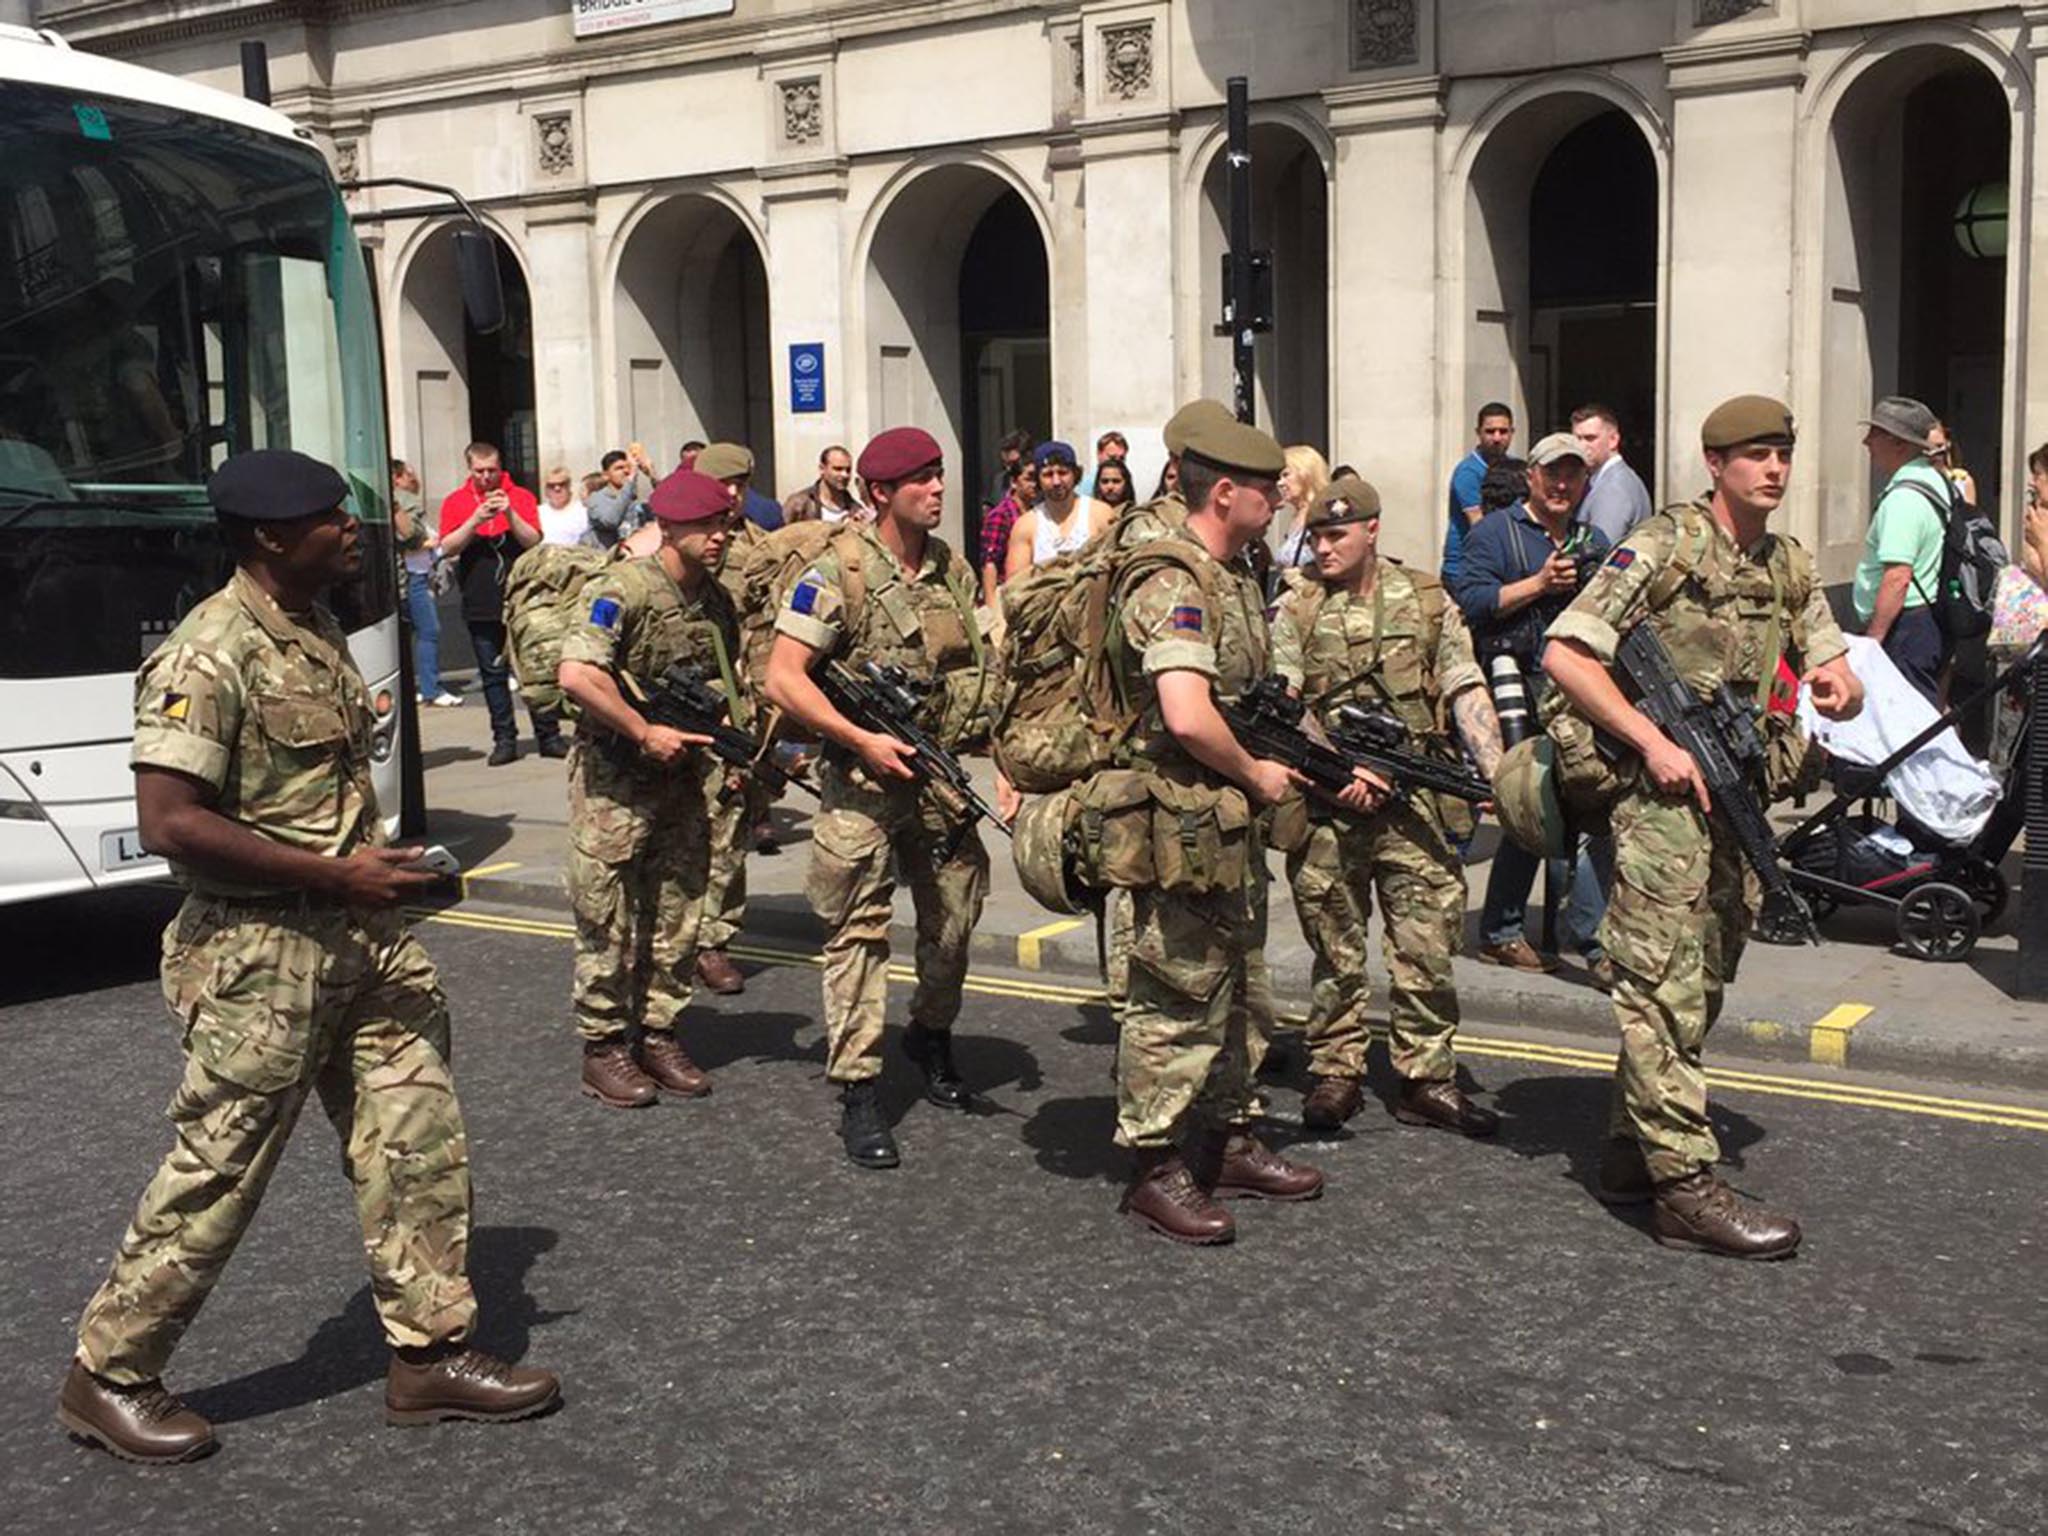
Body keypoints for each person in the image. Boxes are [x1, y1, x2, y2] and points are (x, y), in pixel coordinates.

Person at [59, 448, 559, 1465]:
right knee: (220, 1167)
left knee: (415, 1138)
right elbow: (168, 822)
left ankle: (431, 1353)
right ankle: (108, 1373)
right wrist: (337, 877)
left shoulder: (318, 628)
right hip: (259, 959)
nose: (351, 530)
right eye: (330, 519)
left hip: (365, 945)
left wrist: (382, 874)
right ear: (270, 537)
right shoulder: (207, 653)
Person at [1544, 394, 1862, 1260]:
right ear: (1715, 463)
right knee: (1660, 987)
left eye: (1783, 455)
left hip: (1738, 799)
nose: (1775, 469)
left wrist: (1841, 686)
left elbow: (1831, 657)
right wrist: (1651, 741)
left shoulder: (1787, 563)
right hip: (1661, 805)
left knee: (1703, 981)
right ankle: (1684, 1185)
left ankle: (1626, 1151)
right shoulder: (1666, 542)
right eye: (1756, 455)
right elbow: (1567, 652)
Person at [1103, 407, 1327, 1245]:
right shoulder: (1172, 580)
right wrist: (1259, 773)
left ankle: (1227, 1135)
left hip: (1223, 819)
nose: (1279, 497)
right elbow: (1190, 717)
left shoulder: (1235, 571)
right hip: (1173, 818)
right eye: (1266, 488)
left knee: (1239, 982)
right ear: (1224, 491)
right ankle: (1154, 1163)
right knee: (1174, 989)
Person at [764, 426, 991, 1170]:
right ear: (880, 493)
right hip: (862, 779)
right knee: (857, 934)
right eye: (921, 479)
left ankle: (930, 1031)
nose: (937, 488)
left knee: (956, 917)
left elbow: (975, 669)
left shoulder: (951, 568)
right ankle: (860, 1086)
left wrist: (1004, 764)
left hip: (933, 773)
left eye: (940, 474)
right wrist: (858, 739)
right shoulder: (839, 572)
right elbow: (785, 676)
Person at [1275, 475, 1507, 1134]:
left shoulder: (1428, 599)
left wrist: (1500, 776)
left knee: (1427, 945)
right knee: (1335, 946)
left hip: (1416, 803)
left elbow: (1464, 683)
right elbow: (1285, 705)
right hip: (1328, 802)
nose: (1322, 548)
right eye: (1316, 535)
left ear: (1372, 529)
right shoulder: (1296, 608)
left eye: (1337, 535)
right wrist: (1340, 768)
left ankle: (1426, 1077)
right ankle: (1335, 1070)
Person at [557, 469, 738, 1107]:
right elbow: (578, 673)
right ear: (670, 526)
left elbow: (724, 683)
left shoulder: (715, 601)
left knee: (678, 908)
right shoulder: (623, 588)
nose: (719, 537)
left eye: (725, 525)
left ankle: (659, 1031)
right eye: (706, 526)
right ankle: (604, 1047)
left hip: (682, 780)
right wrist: (641, 730)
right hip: (615, 780)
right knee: (606, 914)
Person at [1453, 433, 1613, 980]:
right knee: (1529, 805)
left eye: (1574, 474)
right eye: (1553, 474)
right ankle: (1500, 930)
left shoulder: (1595, 540)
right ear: (1532, 478)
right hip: (1514, 677)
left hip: (1580, 687)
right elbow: (1472, 603)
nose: (1563, 484)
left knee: (1592, 802)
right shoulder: (1496, 532)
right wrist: (1538, 584)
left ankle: (1595, 941)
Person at [437, 441, 567, 766]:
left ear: (500, 467)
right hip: (480, 598)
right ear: (470, 469)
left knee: (536, 670)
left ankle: (548, 734)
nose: (486, 477)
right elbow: (448, 547)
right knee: (493, 674)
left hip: (523, 598)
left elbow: (533, 540)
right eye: (479, 471)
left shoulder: (520, 496)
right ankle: (504, 738)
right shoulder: (456, 501)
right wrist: (474, 520)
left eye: (491, 470)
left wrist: (508, 512)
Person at [1851, 395, 1951, 705]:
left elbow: (1898, 577)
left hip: (1902, 628)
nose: (1867, 442)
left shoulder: (1904, 499)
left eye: (1876, 434)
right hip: (1922, 623)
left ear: (1899, 444)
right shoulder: (1933, 481)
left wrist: (1874, 640)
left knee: (1900, 729)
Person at [394, 458, 460, 708]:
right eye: (408, 474)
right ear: (397, 478)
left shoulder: (402, 500)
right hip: (414, 576)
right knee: (429, 630)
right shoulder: (405, 500)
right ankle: (431, 688)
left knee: (415, 632)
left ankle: (419, 686)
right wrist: (428, 542)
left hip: (416, 574)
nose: (415, 478)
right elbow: (412, 536)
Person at [1005, 440, 1113, 579]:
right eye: (1048, 474)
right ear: (1037, 479)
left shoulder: (1100, 514)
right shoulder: (1026, 526)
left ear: (1075, 474)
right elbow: (1015, 586)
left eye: (1063, 473)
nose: (1056, 482)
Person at [1444, 402, 1514, 589]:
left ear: (1512, 433)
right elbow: (1479, 524)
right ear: (1478, 433)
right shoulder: (1468, 472)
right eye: (1490, 432)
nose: (1497, 438)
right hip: (1465, 570)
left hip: (1498, 568)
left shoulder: (1512, 468)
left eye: (1503, 431)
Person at [1571, 403, 1653, 545]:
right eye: (1577, 439)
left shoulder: (1614, 487)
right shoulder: (1603, 480)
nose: (1581, 446)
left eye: (1590, 438)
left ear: (1613, 440)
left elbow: (1600, 550)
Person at [980, 456, 1037, 607]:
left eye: (1037, 478)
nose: (1035, 484)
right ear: (1014, 482)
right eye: (1029, 479)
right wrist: (991, 606)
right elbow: (989, 562)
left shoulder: (1037, 514)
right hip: (1007, 597)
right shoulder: (1001, 515)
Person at [1272, 444, 1332, 570]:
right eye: (1279, 477)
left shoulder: (1324, 515)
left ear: (1306, 474)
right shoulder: (1296, 517)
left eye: (1286, 475)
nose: (1280, 483)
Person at [585, 445, 653, 550]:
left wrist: (652, 474)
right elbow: (610, 521)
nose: (626, 472)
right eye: (619, 468)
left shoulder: (636, 501)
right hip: (608, 560)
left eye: (628, 467)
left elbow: (669, 509)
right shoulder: (596, 499)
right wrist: (630, 482)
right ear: (606, 475)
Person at [783, 444, 860, 523]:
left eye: (848, 470)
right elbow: (782, 533)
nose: (844, 475)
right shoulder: (799, 504)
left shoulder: (856, 510)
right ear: (822, 469)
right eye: (838, 469)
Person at [537, 463, 593, 547]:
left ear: (569, 485)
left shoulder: (583, 511)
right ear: (545, 489)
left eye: (562, 484)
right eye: (551, 485)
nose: (557, 488)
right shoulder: (537, 513)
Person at [1929, 421, 1978, 505]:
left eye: (1939, 446)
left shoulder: (1962, 480)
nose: (1935, 452)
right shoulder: (1913, 479)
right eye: (1929, 447)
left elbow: (1970, 516)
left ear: (1948, 443)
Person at [985, 427, 1033, 509]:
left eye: (1013, 463)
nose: (1008, 469)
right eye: (1005, 463)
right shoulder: (999, 481)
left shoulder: (1040, 482)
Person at [1078, 428, 1128, 498]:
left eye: (1122, 458)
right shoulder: (1088, 485)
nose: (1117, 462)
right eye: (1112, 458)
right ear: (1099, 454)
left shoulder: (1125, 480)